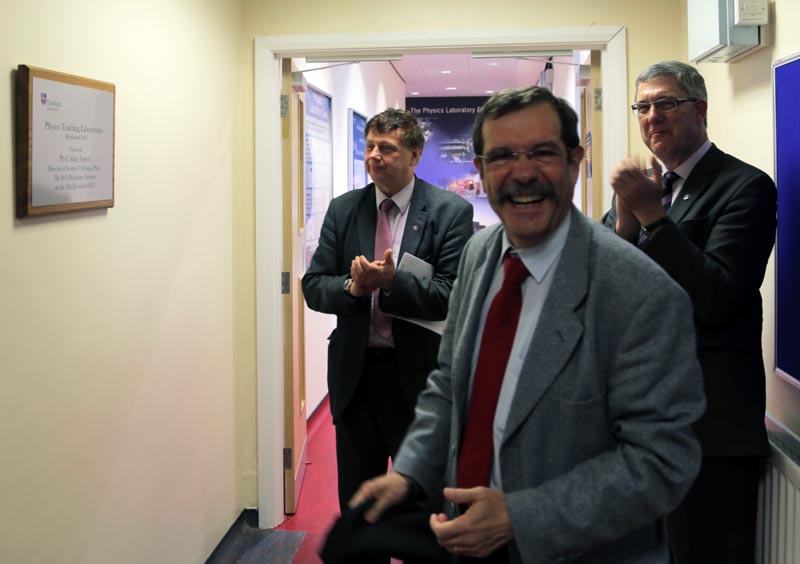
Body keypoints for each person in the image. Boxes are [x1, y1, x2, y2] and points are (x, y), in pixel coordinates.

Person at [348, 86, 706, 564]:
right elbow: (449, 385)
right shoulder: (480, 253)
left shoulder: (642, 294)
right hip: (466, 536)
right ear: (479, 170)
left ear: (576, 161)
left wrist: (520, 517)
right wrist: (409, 471)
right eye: (501, 157)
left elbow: (662, 462)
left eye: (541, 152)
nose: (521, 173)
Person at [603, 61, 777, 564]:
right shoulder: (643, 188)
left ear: (700, 109)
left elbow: (718, 296)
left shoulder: (744, 187)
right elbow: (609, 288)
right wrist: (624, 222)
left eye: (666, 103)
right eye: (643, 106)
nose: (652, 116)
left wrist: (653, 218)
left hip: (712, 431)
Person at [302, 108, 474, 515]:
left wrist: (393, 283)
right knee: (360, 507)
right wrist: (353, 287)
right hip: (356, 378)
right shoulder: (344, 210)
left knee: (422, 506)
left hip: (420, 380)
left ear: (414, 155)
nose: (375, 156)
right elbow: (313, 286)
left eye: (388, 148)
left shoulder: (450, 212)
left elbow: (452, 294)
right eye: (371, 146)